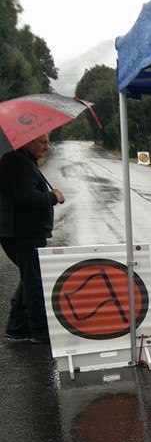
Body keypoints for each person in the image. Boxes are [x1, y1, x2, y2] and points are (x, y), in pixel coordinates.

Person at [0, 133, 65, 345]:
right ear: (28, 140)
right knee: (35, 281)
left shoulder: (21, 159)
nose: (47, 146)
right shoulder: (18, 161)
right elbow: (27, 196)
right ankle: (40, 331)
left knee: (31, 277)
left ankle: (18, 326)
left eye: (47, 142)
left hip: (22, 231)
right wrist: (53, 197)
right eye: (42, 142)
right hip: (24, 232)